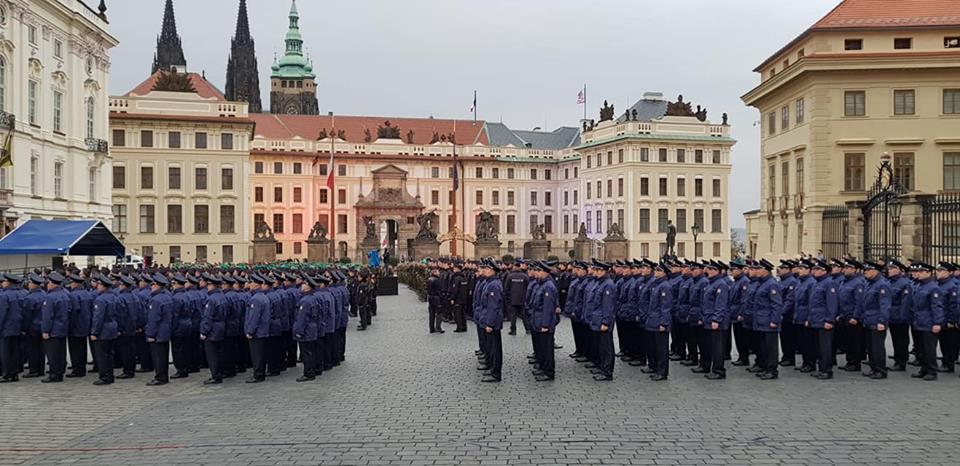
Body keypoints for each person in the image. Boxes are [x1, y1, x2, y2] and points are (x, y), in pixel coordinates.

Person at [807, 260, 839, 380]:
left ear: (824, 271)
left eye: (816, 269)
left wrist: (829, 320)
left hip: (824, 320)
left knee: (825, 347)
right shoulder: (817, 283)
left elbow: (832, 304)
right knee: (819, 347)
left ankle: (827, 370)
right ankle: (821, 368)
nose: (813, 271)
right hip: (816, 319)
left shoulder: (829, 283)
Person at [911, 263, 943, 381]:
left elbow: (937, 307)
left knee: (929, 349)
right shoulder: (919, 286)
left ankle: (932, 371)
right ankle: (924, 369)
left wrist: (937, 323)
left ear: (928, 273)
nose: (918, 274)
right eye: (917, 271)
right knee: (922, 349)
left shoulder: (933, 287)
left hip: (929, 322)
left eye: (921, 272)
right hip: (919, 321)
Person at [751, 260, 783, 380]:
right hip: (761, 320)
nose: (756, 271)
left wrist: (774, 320)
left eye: (759, 269)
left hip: (768, 320)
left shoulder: (771, 284)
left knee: (771, 347)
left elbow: (776, 304)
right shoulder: (762, 283)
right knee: (764, 346)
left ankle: (772, 370)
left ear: (765, 270)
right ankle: (765, 367)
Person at [859, 261, 890, 379]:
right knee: (871, 347)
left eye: (867, 270)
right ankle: (874, 367)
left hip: (877, 320)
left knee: (877, 347)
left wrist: (882, 321)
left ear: (875, 271)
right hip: (869, 319)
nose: (865, 272)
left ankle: (881, 370)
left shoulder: (882, 285)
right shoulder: (869, 283)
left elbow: (884, 305)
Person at [700, 261, 731, 380]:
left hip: (717, 321)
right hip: (709, 318)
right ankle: (714, 368)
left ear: (718, 271)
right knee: (712, 346)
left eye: (712, 269)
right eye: (709, 269)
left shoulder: (721, 284)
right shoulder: (711, 283)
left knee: (718, 347)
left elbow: (720, 304)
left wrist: (716, 320)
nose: (709, 271)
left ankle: (719, 370)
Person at [587, 261, 616, 381]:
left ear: (603, 271)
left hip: (603, 321)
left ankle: (607, 371)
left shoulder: (607, 284)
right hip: (597, 319)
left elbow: (608, 306)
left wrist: (605, 322)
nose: (595, 272)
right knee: (600, 346)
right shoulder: (600, 283)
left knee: (606, 347)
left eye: (598, 270)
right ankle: (601, 367)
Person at [475, 260, 503, 383]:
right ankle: (492, 369)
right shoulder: (489, 283)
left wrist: (490, 323)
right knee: (491, 347)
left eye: (486, 268)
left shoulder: (493, 285)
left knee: (495, 348)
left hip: (492, 321)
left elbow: (493, 306)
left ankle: (496, 373)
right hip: (487, 319)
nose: (484, 270)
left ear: (492, 270)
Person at [39, 272, 70, 383]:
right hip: (63, 327)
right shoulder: (65, 295)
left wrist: (45, 330)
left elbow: (47, 316)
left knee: (52, 354)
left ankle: (54, 374)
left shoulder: (50, 297)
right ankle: (60, 371)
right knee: (61, 352)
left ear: (52, 284)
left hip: (53, 329)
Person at [530, 262, 558, 381]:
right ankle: (543, 368)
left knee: (547, 349)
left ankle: (548, 372)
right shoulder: (542, 284)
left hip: (544, 321)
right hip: (539, 319)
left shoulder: (548, 286)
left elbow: (548, 308)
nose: (537, 272)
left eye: (539, 271)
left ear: (545, 272)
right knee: (542, 347)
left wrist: (545, 324)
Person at [645, 263, 673, 381]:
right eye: (655, 270)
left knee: (662, 349)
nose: (655, 272)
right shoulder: (656, 284)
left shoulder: (665, 286)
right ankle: (657, 369)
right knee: (655, 347)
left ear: (664, 273)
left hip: (659, 321)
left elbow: (665, 307)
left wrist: (663, 323)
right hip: (653, 319)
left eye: (658, 270)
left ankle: (662, 372)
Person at [144, 273, 173, 386]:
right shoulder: (167, 297)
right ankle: (163, 375)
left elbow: (153, 319)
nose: (151, 286)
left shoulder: (156, 300)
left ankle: (160, 377)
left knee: (158, 356)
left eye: (153, 284)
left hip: (158, 332)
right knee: (163, 355)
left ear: (157, 285)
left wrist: (151, 334)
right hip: (165, 330)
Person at [90, 275, 119, 386]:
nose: (97, 286)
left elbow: (98, 318)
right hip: (112, 328)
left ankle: (105, 376)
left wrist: (94, 332)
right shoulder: (114, 297)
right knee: (110, 354)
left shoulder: (100, 299)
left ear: (103, 286)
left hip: (103, 330)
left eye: (99, 284)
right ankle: (110, 375)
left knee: (102, 355)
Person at [199, 273, 227, 385]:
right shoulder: (222, 297)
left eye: (209, 285)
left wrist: (204, 331)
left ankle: (215, 375)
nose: (207, 287)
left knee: (212, 355)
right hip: (221, 327)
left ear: (212, 286)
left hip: (212, 329)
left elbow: (208, 317)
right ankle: (219, 372)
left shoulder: (211, 299)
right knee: (219, 353)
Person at [245, 274, 272, 383]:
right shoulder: (264, 297)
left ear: (255, 285)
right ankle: (260, 373)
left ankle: (258, 374)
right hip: (263, 330)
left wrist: (250, 331)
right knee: (261, 353)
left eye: (251, 283)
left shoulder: (255, 299)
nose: (249, 285)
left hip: (257, 332)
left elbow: (254, 317)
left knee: (257, 355)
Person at [293, 275, 319, 382]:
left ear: (308, 287)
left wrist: (298, 332)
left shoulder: (305, 301)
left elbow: (302, 318)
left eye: (304, 284)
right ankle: (311, 371)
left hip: (306, 330)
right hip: (312, 329)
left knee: (306, 353)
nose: (302, 285)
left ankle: (308, 373)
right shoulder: (313, 298)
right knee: (311, 352)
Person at [66, 274, 92, 378]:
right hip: (85, 324)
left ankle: (77, 370)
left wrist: (70, 325)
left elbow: (73, 312)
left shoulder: (74, 295)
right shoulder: (87, 293)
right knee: (82, 347)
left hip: (76, 325)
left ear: (75, 284)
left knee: (75, 349)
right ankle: (82, 368)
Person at [0, 274, 24, 383]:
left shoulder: (4, 296)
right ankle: (14, 373)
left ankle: (7, 374)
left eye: (4, 281)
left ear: (8, 282)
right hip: (17, 327)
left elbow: (2, 314)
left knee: (5, 353)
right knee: (15, 351)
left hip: (6, 328)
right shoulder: (20, 294)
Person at [504, 263, 528, 336]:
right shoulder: (525, 276)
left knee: (513, 316)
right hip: (523, 299)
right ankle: (528, 329)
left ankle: (513, 330)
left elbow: (506, 288)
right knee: (524, 315)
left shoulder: (510, 276)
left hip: (513, 299)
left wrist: (508, 298)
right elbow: (528, 288)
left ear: (514, 267)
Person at [426, 268, 444, 334]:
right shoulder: (437, 280)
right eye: (438, 272)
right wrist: (441, 297)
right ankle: (438, 327)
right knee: (439, 313)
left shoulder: (429, 279)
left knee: (431, 314)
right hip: (436, 298)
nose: (439, 273)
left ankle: (431, 328)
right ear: (435, 273)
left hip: (430, 297)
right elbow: (439, 290)